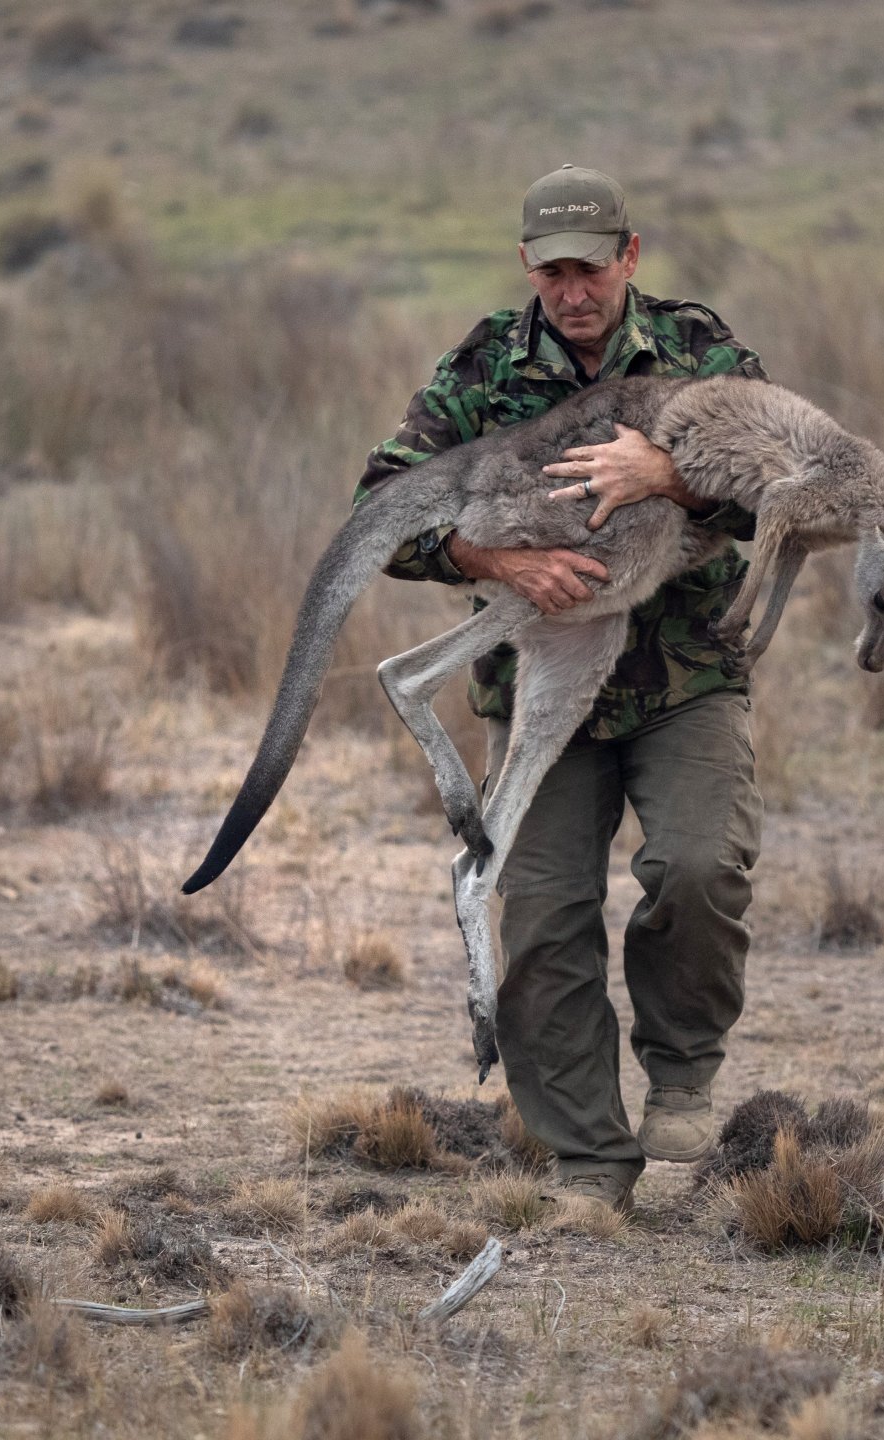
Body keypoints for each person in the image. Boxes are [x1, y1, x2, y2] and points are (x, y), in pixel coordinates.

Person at [352, 165, 764, 1214]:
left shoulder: (700, 352)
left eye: (590, 266)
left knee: (697, 868)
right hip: (540, 676)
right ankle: (587, 1164)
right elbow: (381, 512)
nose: (571, 289)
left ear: (630, 256)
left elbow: (782, 493)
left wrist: (666, 477)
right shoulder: (483, 365)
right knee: (540, 915)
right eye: (551, 271)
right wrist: (498, 566)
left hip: (682, 670)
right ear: (526, 266)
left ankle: (681, 1075)